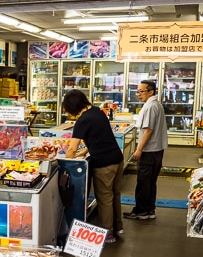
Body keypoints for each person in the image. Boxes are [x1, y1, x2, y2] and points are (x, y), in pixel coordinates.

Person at [63, 90, 125, 244]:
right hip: (117, 159)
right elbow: (99, 137)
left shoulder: (82, 121)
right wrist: (84, 151)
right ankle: (118, 227)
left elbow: (71, 149)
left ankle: (108, 233)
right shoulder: (97, 111)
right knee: (115, 194)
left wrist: (65, 163)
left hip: (104, 164)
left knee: (104, 198)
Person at [124, 79, 168, 220]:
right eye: (137, 91)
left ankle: (141, 211)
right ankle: (149, 210)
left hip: (149, 151)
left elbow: (148, 131)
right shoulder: (156, 105)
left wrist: (138, 150)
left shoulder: (150, 107)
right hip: (157, 150)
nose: (138, 94)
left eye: (141, 91)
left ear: (151, 92)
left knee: (143, 182)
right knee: (150, 182)